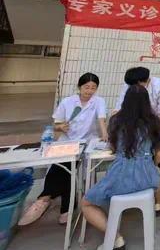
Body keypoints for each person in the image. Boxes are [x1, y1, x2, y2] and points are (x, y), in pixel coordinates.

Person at [81, 85, 160, 250]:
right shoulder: (154, 122)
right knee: (156, 175)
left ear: (125, 101)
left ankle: (115, 238)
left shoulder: (116, 120)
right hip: (149, 179)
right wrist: (152, 166)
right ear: (147, 101)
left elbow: (112, 147)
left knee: (86, 203)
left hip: (121, 174)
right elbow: (159, 153)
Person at [19, 73, 107, 227]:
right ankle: (65, 207)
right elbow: (55, 125)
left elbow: (101, 120)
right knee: (65, 166)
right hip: (67, 141)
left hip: (86, 142)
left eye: (93, 88)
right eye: (86, 87)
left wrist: (105, 135)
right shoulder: (68, 102)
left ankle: (45, 198)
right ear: (79, 87)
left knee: (67, 166)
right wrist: (61, 127)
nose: (89, 91)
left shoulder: (99, 101)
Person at [115, 67, 160, 205]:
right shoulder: (129, 85)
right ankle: (137, 190)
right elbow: (119, 109)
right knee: (133, 158)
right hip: (133, 128)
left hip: (153, 125)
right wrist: (115, 129)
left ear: (144, 81)